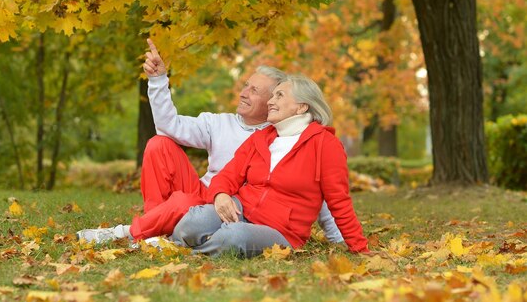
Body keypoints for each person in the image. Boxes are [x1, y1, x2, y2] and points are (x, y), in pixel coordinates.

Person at [76, 40, 343, 244]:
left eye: (254, 90)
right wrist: (158, 81)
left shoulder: (282, 138)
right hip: (204, 193)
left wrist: (337, 237)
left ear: (274, 100)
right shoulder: (219, 122)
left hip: (232, 208)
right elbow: (169, 126)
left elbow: (310, 188)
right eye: (245, 85)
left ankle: (129, 233)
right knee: (159, 144)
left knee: (182, 203)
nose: (243, 93)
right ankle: (153, 228)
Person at [171, 75, 368, 257]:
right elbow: (228, 175)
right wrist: (220, 194)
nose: (270, 101)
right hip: (242, 210)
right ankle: (178, 244)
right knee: (195, 220)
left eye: (279, 95)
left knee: (234, 235)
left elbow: (339, 201)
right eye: (272, 95)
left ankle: (191, 254)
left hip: (282, 231)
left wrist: (359, 248)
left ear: (302, 107)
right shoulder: (261, 138)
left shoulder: (326, 144)